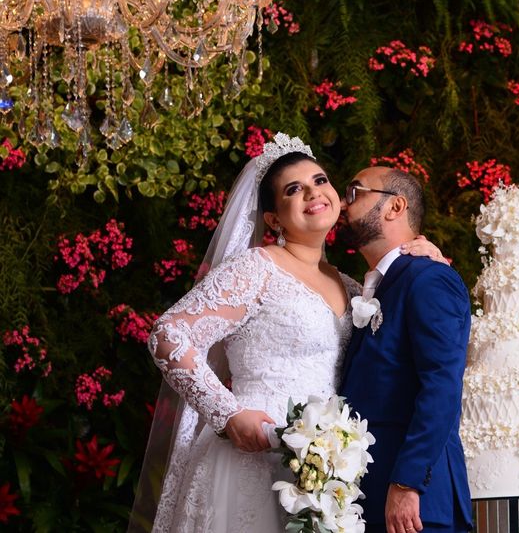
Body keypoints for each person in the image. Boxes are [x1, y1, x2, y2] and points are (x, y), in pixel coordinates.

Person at [129, 134, 446, 533]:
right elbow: (168, 333)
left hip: (326, 474)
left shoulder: (351, 286)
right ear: (274, 220)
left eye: (319, 180)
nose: (313, 193)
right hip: (253, 454)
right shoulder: (256, 270)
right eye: (294, 190)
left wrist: (426, 259)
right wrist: (229, 416)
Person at [338, 167, 473, 533]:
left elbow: (442, 386)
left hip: (415, 506)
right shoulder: (379, 286)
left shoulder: (429, 277)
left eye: (354, 192)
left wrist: (407, 482)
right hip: (371, 495)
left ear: (394, 207)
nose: (340, 202)